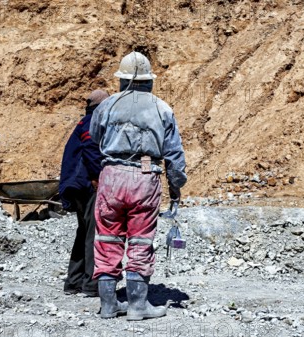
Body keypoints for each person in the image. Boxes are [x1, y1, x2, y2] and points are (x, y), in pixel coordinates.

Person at [90, 51, 187, 320]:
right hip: (145, 177)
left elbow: (95, 135)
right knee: (140, 242)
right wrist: (176, 190)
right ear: (149, 81)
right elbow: (174, 157)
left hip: (111, 175)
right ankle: (137, 306)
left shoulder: (106, 105)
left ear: (121, 79)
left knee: (107, 239)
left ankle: (108, 305)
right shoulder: (162, 108)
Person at [59, 89, 109, 297]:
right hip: (86, 183)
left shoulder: (84, 120)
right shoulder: (93, 121)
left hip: (76, 183)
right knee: (93, 232)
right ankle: (91, 282)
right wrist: (97, 175)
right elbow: (90, 147)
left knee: (83, 231)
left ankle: (74, 281)